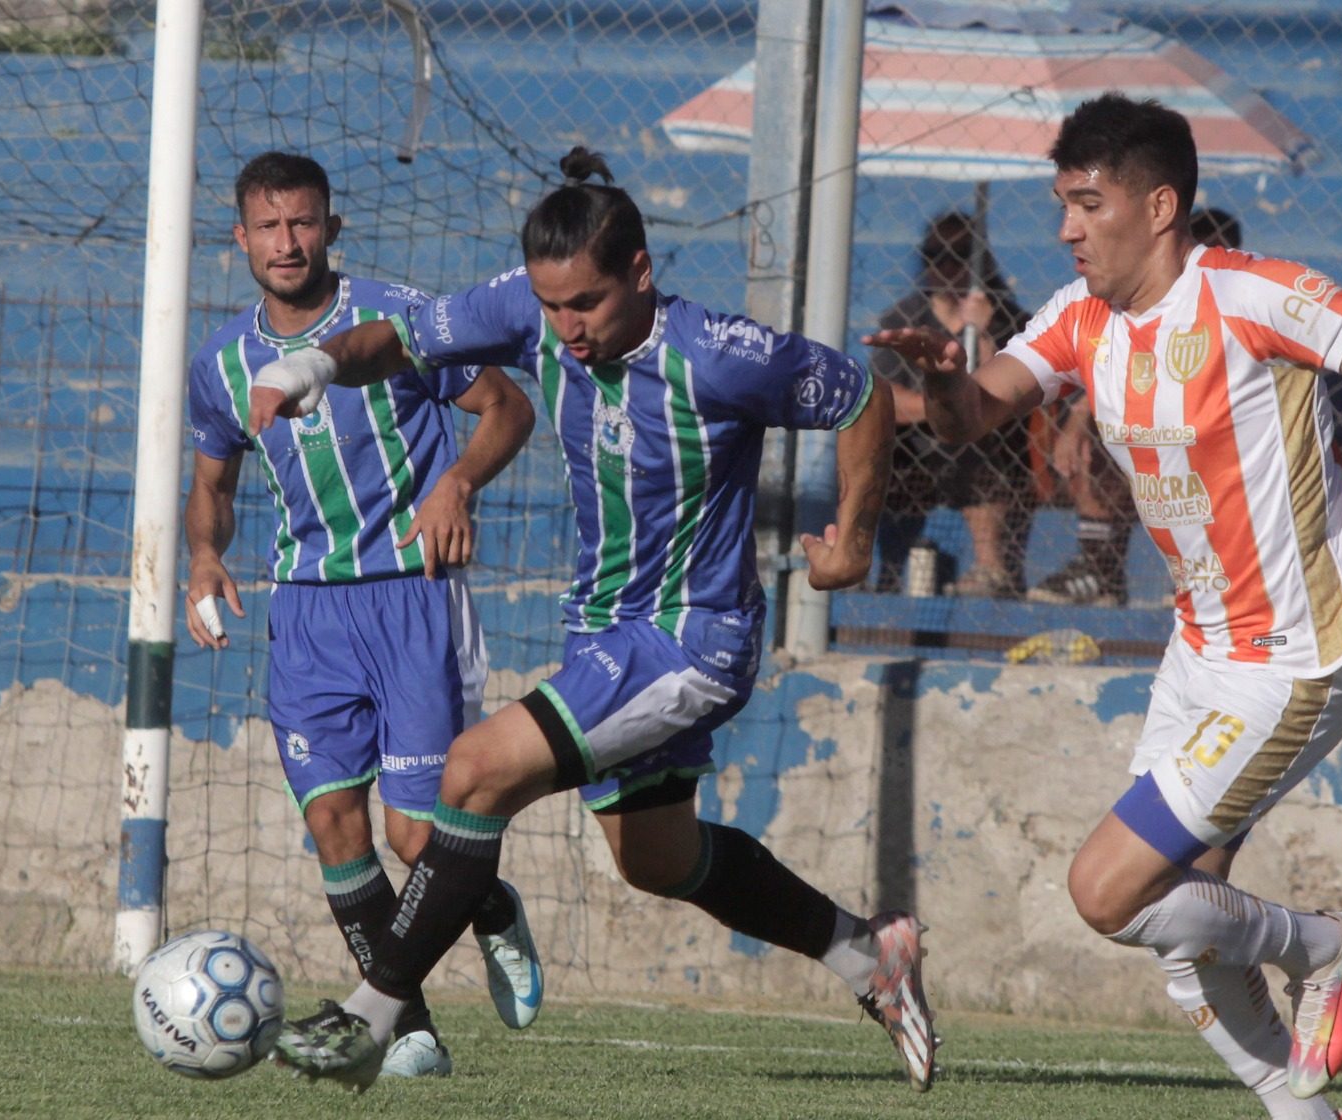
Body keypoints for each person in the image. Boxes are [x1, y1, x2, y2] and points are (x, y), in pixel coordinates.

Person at [868, 94, 1342, 1119]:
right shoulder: (1079, 315)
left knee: (1105, 890)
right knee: (1186, 933)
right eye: (1060, 204)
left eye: (1084, 203)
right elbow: (980, 413)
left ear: (1158, 207)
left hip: (1294, 656)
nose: (1064, 228)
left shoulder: (1248, 296)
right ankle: (1303, 1109)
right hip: (1200, 652)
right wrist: (938, 379)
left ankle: (1328, 944)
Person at [245, 148, 937, 1094]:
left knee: (475, 769)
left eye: (587, 306)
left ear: (640, 275)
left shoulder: (717, 357)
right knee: (658, 860)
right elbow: (400, 339)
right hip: (605, 634)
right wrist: (315, 362)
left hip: (692, 638)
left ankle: (374, 1014)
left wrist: (853, 542)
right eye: (552, 307)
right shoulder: (531, 311)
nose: (565, 329)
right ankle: (869, 954)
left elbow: (860, 397)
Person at [183, 151, 544, 1079]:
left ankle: (490, 904)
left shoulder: (399, 324)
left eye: (303, 223)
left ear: (331, 228)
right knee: (335, 827)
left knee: (415, 840)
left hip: (411, 598)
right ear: (241, 240)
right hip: (305, 614)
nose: (287, 242)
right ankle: (407, 1029)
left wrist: (456, 482)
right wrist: (205, 558)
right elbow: (213, 482)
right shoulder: (220, 363)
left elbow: (507, 406)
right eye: (268, 227)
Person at [1028, 206, 1244, 606]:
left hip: (1215, 435)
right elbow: (1117, 367)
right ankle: (1099, 570)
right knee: (1092, 432)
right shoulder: (1142, 305)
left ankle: (1210, 570)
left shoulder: (1240, 310)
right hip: (1152, 424)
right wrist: (1077, 421)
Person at [871, 211, 1031, 597]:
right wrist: (944, 407)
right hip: (917, 445)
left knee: (977, 445)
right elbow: (884, 392)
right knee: (869, 436)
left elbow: (1001, 390)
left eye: (958, 256)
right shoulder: (905, 316)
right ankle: (877, 569)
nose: (944, 267)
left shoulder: (1006, 318)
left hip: (981, 442)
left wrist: (980, 333)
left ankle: (990, 569)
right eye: (934, 255)